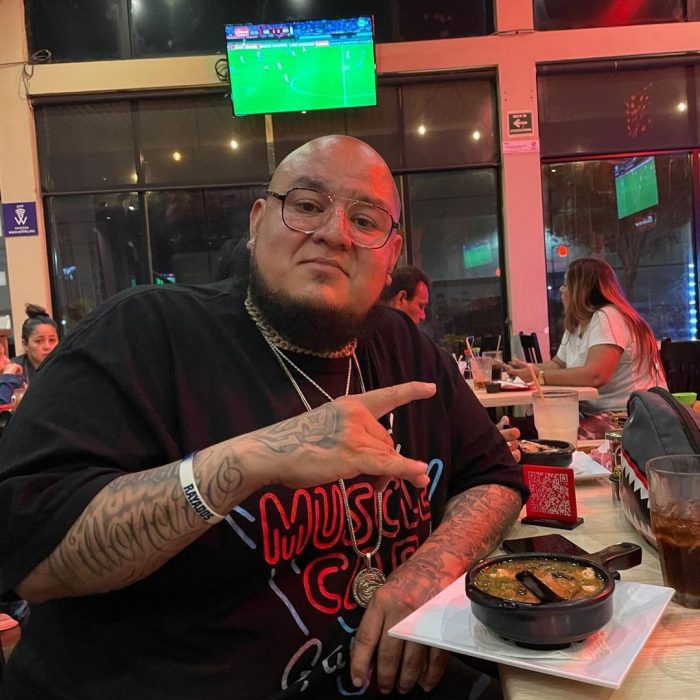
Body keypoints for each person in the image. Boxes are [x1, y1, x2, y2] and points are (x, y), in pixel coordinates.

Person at [0, 135, 527, 699]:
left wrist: (429, 572)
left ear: (391, 254)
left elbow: (495, 479)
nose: (335, 233)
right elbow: (32, 557)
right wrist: (255, 457)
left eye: (365, 220)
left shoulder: (403, 346)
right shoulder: (145, 333)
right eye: (307, 205)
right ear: (257, 222)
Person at [507, 257, 666, 438]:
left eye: (566, 284)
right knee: (524, 428)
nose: (561, 290)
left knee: (555, 441)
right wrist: (527, 370)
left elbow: (596, 375)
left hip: (628, 415)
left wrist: (539, 376)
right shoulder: (578, 323)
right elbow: (558, 364)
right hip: (591, 411)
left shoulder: (608, 316)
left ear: (580, 290)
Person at [382, 265, 521, 461]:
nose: (423, 316)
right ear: (401, 298)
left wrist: (480, 442)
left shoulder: (424, 354)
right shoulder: (403, 355)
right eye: (421, 307)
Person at [4, 304, 60, 387]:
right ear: (25, 344)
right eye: (39, 341)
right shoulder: (13, 369)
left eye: (52, 340)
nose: (47, 346)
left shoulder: (66, 366)